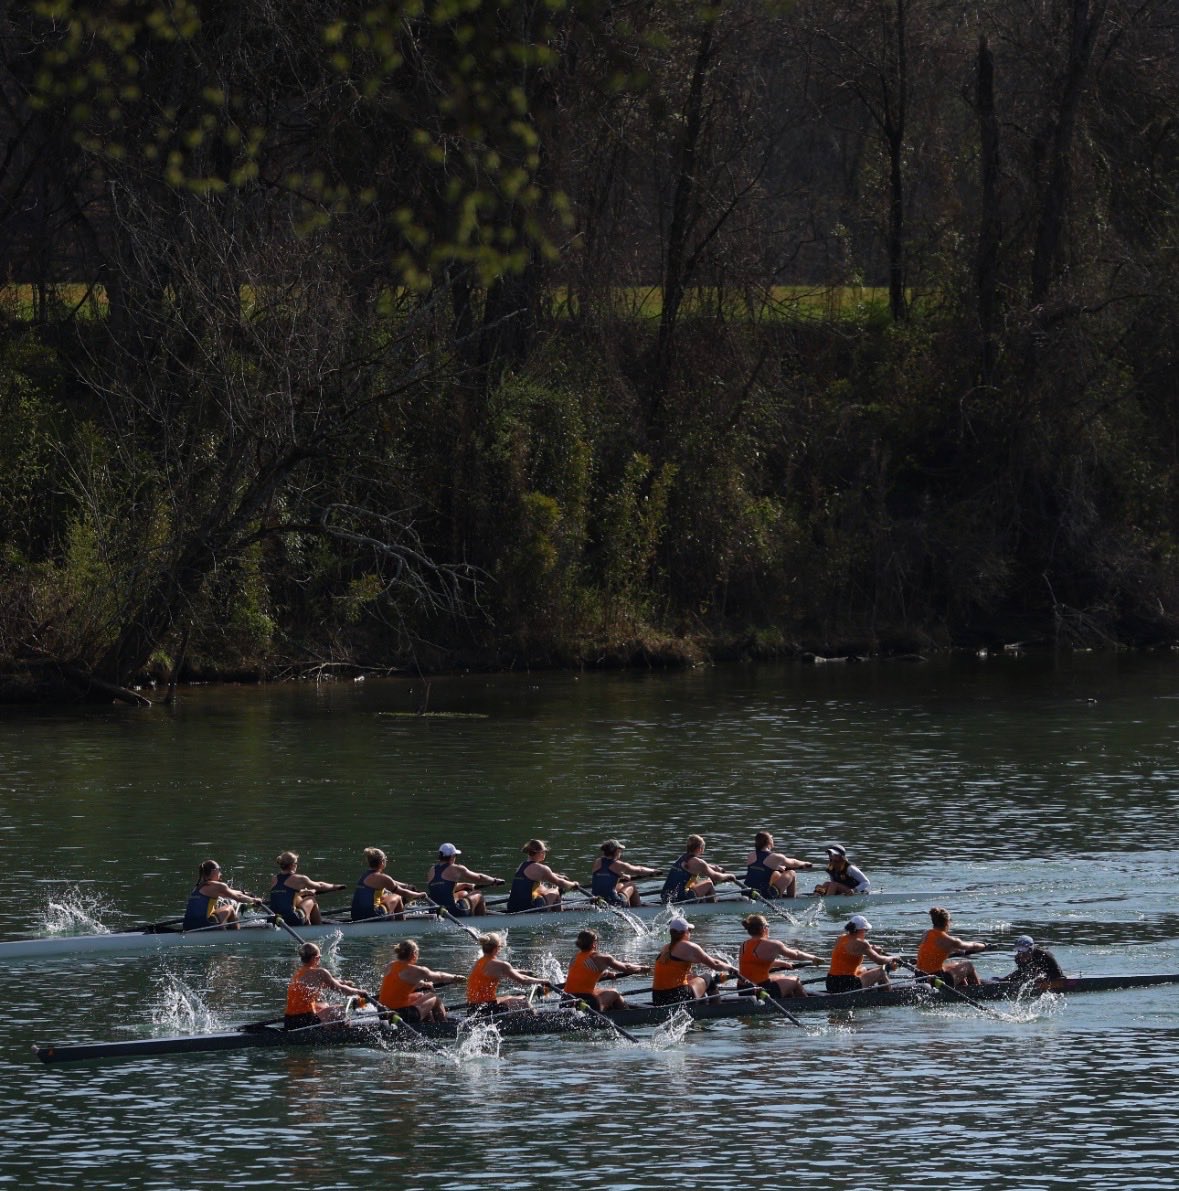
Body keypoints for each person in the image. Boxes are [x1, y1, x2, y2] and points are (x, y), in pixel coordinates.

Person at [651, 916, 740, 1006]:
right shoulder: (689, 947)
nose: (690, 933)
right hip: (677, 996)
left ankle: (702, 1003)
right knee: (708, 978)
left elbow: (687, 977)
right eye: (690, 930)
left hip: (658, 998)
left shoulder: (665, 948)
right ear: (685, 932)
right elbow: (715, 964)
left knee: (697, 980)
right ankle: (716, 1008)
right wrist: (733, 969)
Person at [284, 942, 372, 1030]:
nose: (319, 960)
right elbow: (340, 989)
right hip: (304, 1021)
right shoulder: (320, 972)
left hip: (289, 1020)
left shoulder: (299, 973)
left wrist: (343, 982)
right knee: (339, 1010)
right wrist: (360, 992)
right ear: (315, 958)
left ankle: (327, 1026)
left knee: (325, 1005)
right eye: (319, 957)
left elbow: (324, 984)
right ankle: (347, 1032)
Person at [378, 939, 464, 1023]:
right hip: (399, 1015)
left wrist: (424, 984)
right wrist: (455, 977)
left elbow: (400, 983)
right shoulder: (417, 970)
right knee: (433, 997)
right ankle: (444, 1027)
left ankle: (429, 1023)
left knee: (420, 995)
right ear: (414, 954)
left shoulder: (390, 965)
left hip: (383, 1012)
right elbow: (439, 976)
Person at [738, 914, 822, 999]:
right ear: (764, 928)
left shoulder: (744, 945)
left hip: (743, 990)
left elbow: (755, 963)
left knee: (781, 976)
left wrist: (784, 963)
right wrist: (813, 958)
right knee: (795, 980)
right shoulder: (773, 945)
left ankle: (788, 999)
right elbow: (796, 954)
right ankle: (806, 1004)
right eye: (768, 926)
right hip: (761, 992)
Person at [563, 929, 649, 1011]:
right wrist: (642, 968)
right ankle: (627, 1015)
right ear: (594, 943)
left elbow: (584, 974)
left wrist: (606, 973)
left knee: (598, 990)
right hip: (586, 1003)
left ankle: (613, 1010)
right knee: (614, 993)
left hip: (566, 1001)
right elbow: (627, 968)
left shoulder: (574, 959)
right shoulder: (602, 958)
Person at [466, 932, 550, 1012]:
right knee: (524, 1002)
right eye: (500, 947)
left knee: (515, 997)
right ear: (496, 948)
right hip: (487, 1009)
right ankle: (536, 1019)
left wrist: (526, 972)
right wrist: (543, 981)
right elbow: (523, 980)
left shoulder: (479, 963)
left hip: (473, 1008)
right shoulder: (500, 965)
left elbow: (507, 971)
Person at [914, 907, 987, 987]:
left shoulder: (926, 934)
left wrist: (955, 950)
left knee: (954, 964)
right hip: (937, 980)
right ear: (947, 922)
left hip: (920, 978)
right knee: (968, 965)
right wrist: (984, 946)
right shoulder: (950, 941)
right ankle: (979, 990)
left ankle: (963, 985)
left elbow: (936, 950)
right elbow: (973, 946)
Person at [183, 859, 263, 931]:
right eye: (219, 870)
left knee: (218, 907)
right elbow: (238, 897)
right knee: (230, 908)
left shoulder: (197, 887)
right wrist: (254, 900)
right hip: (203, 925)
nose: (220, 873)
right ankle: (235, 934)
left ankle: (224, 928)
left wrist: (246, 894)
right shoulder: (218, 886)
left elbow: (229, 893)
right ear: (213, 871)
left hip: (188, 926)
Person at [270, 850, 346, 926]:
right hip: (291, 920)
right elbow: (320, 886)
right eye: (296, 863)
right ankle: (317, 928)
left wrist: (304, 892)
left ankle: (307, 923)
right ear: (292, 865)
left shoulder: (274, 879)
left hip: (273, 919)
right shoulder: (299, 879)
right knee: (311, 899)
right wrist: (334, 887)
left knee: (298, 899)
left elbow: (285, 894)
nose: (297, 865)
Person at [826, 914, 899, 993]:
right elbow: (879, 961)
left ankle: (871, 992)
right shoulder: (862, 944)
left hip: (831, 982)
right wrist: (894, 958)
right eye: (866, 931)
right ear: (861, 930)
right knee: (881, 972)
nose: (866, 933)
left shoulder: (841, 938)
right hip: (846, 985)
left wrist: (871, 948)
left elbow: (853, 947)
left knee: (863, 969)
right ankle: (888, 996)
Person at [426, 843, 503, 917]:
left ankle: (471, 912)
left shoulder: (431, 870)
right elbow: (479, 877)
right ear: (452, 856)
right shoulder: (457, 868)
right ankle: (480, 922)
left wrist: (465, 885)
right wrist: (494, 881)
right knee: (479, 895)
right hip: (454, 912)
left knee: (463, 893)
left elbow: (442, 887)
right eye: (456, 855)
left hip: (435, 911)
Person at [351, 847, 426, 921]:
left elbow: (392, 882)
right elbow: (403, 893)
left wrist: (407, 886)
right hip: (373, 915)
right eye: (386, 859)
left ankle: (391, 918)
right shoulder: (383, 878)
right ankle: (401, 925)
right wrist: (420, 895)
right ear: (382, 862)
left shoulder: (363, 876)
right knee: (397, 897)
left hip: (355, 915)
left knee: (385, 896)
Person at [505, 839, 579, 913]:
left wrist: (559, 876)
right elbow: (560, 883)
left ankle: (551, 911)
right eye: (544, 852)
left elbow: (548, 875)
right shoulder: (542, 869)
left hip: (512, 907)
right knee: (556, 891)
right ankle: (559, 917)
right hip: (530, 908)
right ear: (539, 853)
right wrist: (574, 884)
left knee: (541, 889)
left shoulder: (521, 866)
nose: (545, 854)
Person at [660, 835, 738, 904]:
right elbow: (715, 877)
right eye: (703, 848)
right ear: (700, 848)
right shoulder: (699, 863)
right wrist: (729, 876)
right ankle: (713, 907)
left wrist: (716, 868)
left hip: (666, 897)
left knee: (698, 881)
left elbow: (705, 866)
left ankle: (702, 901)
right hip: (681, 898)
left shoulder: (682, 858)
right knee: (709, 883)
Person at [589, 839, 661, 907]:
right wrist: (653, 871)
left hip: (596, 901)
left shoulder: (597, 862)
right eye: (620, 850)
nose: (621, 852)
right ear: (616, 851)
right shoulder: (619, 864)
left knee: (620, 885)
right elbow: (639, 870)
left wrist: (621, 875)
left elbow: (605, 875)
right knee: (631, 884)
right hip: (615, 903)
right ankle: (638, 909)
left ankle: (628, 904)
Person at [744, 830, 814, 899]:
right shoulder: (776, 857)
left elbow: (761, 867)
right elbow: (793, 863)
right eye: (771, 838)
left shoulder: (751, 855)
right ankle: (791, 901)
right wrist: (805, 863)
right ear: (769, 842)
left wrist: (777, 867)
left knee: (776, 873)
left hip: (747, 891)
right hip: (764, 894)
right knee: (791, 873)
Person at [997, 935, 1065, 991]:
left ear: (1030, 949)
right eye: (1019, 951)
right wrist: (1005, 979)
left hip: (1049, 973)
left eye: (1024, 951)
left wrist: (1044, 979)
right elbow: (1021, 972)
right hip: (1035, 973)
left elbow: (1059, 975)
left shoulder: (1045, 955)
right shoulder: (1018, 958)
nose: (1022, 954)